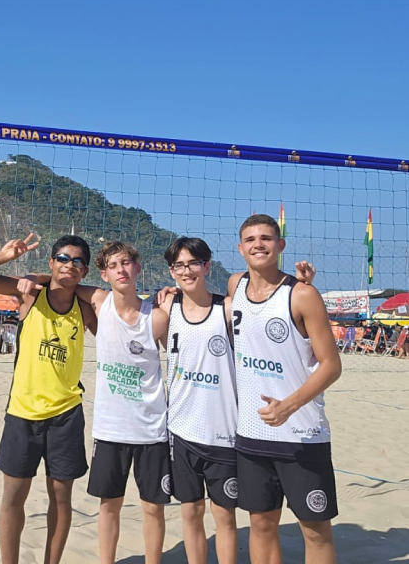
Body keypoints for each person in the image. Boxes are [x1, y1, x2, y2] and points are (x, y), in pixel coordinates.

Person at [21, 240, 171, 564]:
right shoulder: (100, 302)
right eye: (114, 266)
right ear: (104, 274)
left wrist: (173, 298)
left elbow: (186, 349)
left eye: (126, 263)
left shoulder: (157, 317)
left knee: (153, 508)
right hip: (111, 428)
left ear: (137, 268)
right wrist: (40, 276)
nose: (121, 270)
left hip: (152, 429)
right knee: (109, 506)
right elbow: (63, 279)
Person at [0, 234, 97, 564]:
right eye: (63, 258)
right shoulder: (29, 296)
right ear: (51, 262)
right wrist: (3, 256)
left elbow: (117, 313)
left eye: (77, 261)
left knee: (61, 499)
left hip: (66, 414)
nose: (70, 265)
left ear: (85, 270)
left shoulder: (85, 309)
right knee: (13, 497)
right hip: (22, 412)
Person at [229, 214, 341, 564]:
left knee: (314, 530)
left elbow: (332, 365)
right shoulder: (235, 286)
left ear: (281, 245)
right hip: (251, 434)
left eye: (266, 238)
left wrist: (289, 405)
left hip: (301, 435)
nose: (258, 244)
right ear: (240, 248)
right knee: (261, 524)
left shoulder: (302, 295)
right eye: (250, 239)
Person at [158, 238, 239, 564]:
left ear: (207, 266)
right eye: (180, 265)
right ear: (171, 271)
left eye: (194, 263)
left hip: (224, 432)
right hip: (182, 430)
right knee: (190, 511)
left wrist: (302, 284)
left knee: (225, 516)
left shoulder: (229, 309)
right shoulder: (165, 309)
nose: (187, 270)